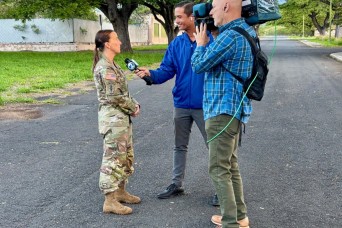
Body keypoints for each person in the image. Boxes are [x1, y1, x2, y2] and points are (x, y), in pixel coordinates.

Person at [134, 1, 218, 205]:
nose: (177, 21)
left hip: (206, 104)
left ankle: (220, 189)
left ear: (192, 17)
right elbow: (166, 70)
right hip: (181, 103)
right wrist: (150, 74)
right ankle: (176, 184)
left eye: (180, 17)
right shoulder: (177, 44)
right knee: (179, 146)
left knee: (216, 149)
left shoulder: (212, 39)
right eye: (176, 17)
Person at [191, 0, 256, 227]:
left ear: (226, 6)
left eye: (214, 7)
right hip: (234, 110)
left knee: (219, 168)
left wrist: (200, 43)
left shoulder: (231, 37)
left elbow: (199, 65)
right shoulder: (244, 31)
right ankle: (239, 216)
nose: (210, 12)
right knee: (230, 166)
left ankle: (230, 222)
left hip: (221, 110)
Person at [92, 30, 141, 215]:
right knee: (113, 159)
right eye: (116, 39)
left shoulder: (113, 65)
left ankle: (120, 192)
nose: (120, 42)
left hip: (121, 119)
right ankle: (109, 200)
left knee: (124, 156)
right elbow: (114, 96)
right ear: (107, 44)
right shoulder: (105, 68)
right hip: (113, 120)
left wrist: (131, 107)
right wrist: (133, 107)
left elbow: (121, 94)